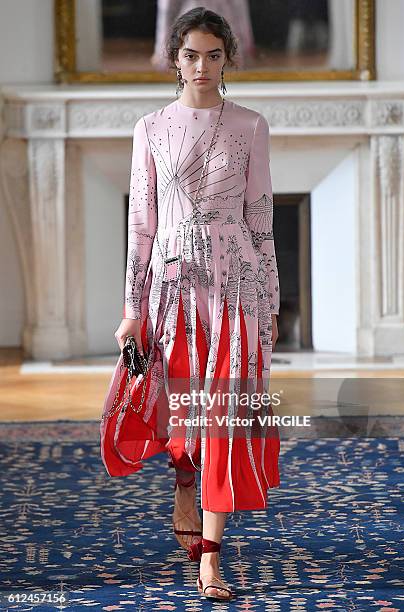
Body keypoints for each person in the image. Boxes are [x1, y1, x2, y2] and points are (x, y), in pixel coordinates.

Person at [103, 7, 280, 602]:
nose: (201, 67)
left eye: (212, 55)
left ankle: (209, 559)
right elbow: (140, 227)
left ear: (227, 59)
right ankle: (185, 472)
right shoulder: (150, 128)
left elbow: (262, 223)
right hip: (172, 288)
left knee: (224, 421)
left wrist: (271, 302)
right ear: (174, 58)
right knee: (182, 414)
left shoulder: (252, 126)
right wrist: (132, 308)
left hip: (235, 290)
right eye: (190, 55)